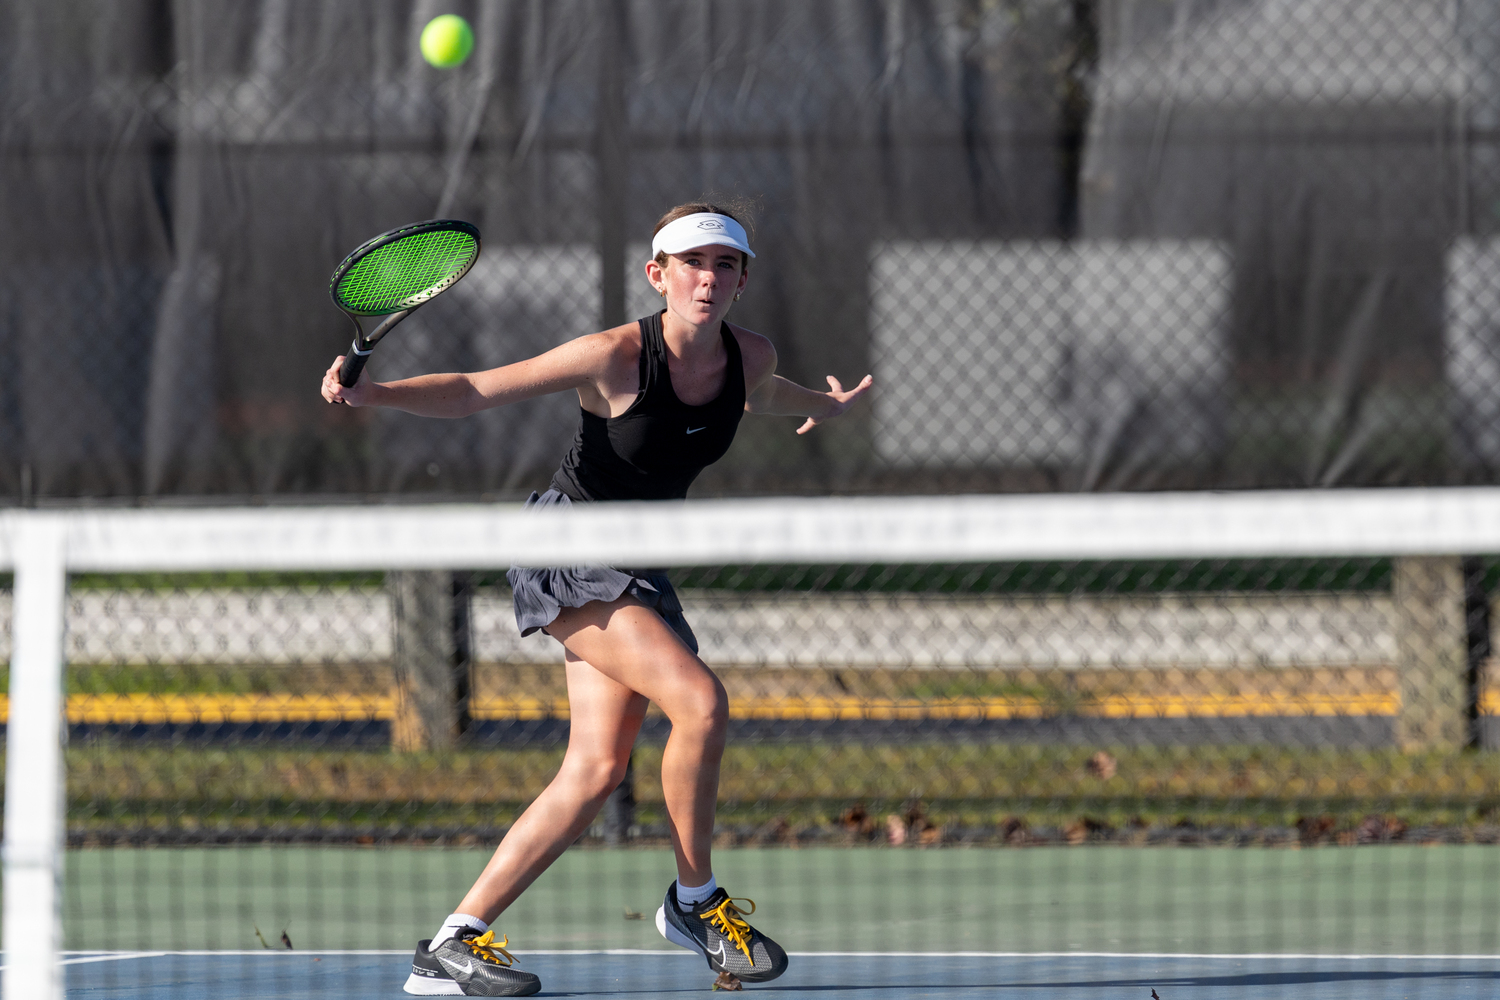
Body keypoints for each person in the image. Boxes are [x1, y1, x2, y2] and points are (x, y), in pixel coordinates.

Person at [321, 201, 873, 997]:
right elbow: (477, 389)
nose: (707, 278)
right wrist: (372, 396)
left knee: (594, 770)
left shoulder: (749, 356)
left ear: (743, 280)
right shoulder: (613, 355)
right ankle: (694, 901)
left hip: (640, 566)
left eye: (724, 266)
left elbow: (766, 394)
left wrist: (825, 407)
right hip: (572, 550)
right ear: (658, 275)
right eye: (690, 263)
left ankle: (450, 945)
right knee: (702, 704)